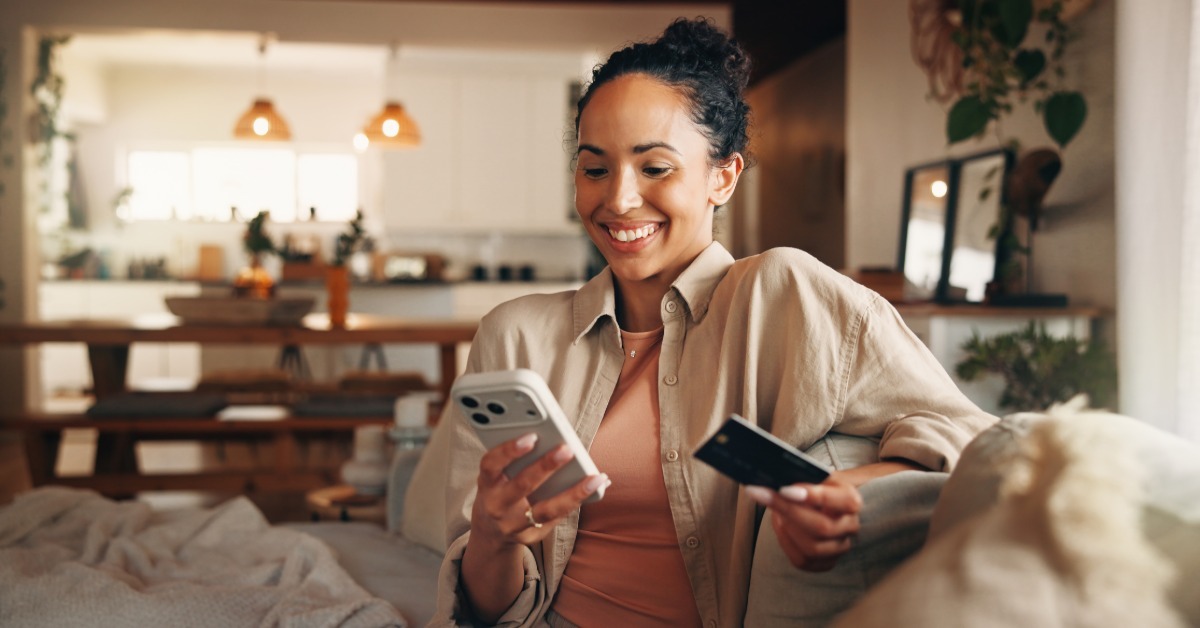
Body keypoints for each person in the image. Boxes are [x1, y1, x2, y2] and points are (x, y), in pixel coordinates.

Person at [430, 17, 995, 627]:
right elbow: (485, 612)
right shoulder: (514, 336)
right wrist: (492, 536)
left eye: (655, 168)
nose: (618, 200)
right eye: (595, 169)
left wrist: (854, 491)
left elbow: (973, 438)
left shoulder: (783, 294)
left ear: (723, 176)